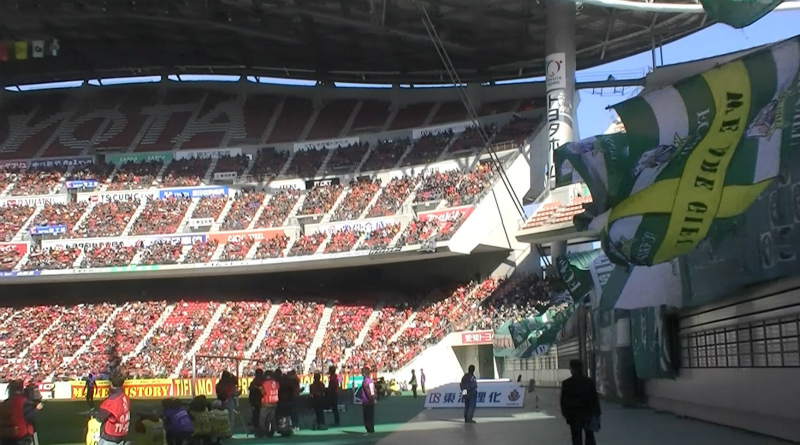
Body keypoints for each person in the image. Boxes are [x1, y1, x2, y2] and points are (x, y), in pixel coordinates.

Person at [560, 360, 601, 445]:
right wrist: (596, 414)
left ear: (572, 369)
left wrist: (566, 414)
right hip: (588, 414)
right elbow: (595, 399)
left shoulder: (566, 383)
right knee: (590, 436)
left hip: (574, 416)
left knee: (576, 438)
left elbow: (563, 401)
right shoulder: (589, 381)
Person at [0, 379, 42, 445]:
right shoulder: (24, 402)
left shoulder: (5, 403)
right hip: (21, 436)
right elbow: (30, 417)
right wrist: (36, 409)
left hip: (6, 436)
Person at [95, 373, 131, 445]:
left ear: (110, 383)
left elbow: (99, 418)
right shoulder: (125, 397)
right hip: (121, 435)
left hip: (109, 438)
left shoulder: (110, 402)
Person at [258, 371, 279, 438]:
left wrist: (260, 389)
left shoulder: (265, 383)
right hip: (274, 402)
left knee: (262, 418)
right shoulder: (276, 383)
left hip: (267, 403)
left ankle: (263, 432)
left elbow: (263, 393)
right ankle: (272, 431)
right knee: (271, 418)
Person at [357, 367, 376, 435]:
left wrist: (372, 399)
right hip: (368, 401)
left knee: (368, 417)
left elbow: (371, 391)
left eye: (362, 372)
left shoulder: (367, 381)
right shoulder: (368, 381)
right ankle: (370, 430)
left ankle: (369, 430)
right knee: (369, 416)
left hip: (368, 401)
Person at [248, 369, 266, 436]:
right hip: (261, 401)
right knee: (260, 416)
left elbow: (250, 390)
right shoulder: (263, 381)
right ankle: (261, 429)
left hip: (257, 402)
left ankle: (258, 429)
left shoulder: (254, 382)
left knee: (256, 416)